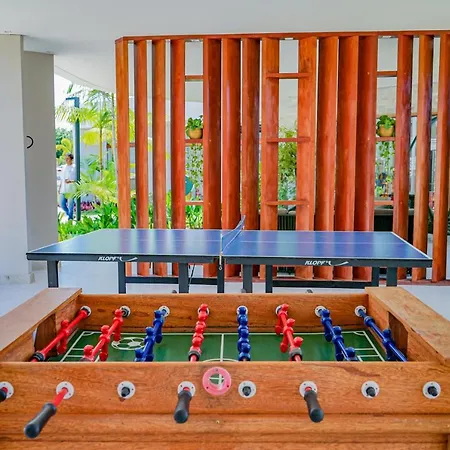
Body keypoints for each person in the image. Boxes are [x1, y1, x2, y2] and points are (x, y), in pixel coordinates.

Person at [58, 153, 77, 220]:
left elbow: (78, 179)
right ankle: (69, 214)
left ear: (71, 159)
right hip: (63, 189)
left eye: (67, 158)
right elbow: (61, 179)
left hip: (71, 189)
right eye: (65, 158)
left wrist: (71, 181)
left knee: (70, 205)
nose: (66, 160)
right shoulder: (63, 167)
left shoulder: (75, 167)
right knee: (61, 204)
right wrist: (59, 188)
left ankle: (70, 218)